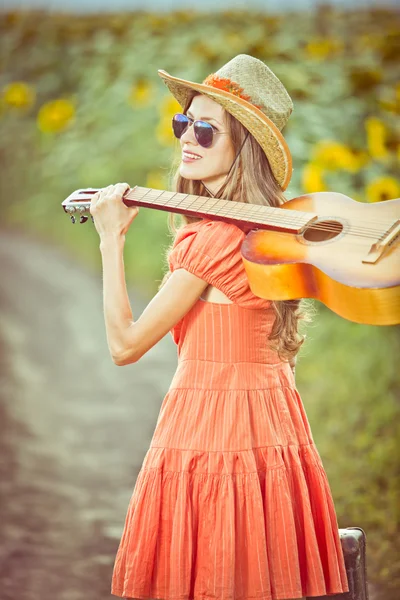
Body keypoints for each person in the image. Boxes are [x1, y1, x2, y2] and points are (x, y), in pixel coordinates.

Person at [90, 54, 349, 600]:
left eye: (207, 130)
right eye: (184, 122)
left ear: (243, 150)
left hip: (210, 427)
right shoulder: (270, 237)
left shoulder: (211, 242)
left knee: (211, 575)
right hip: (274, 429)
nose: (188, 138)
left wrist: (110, 240)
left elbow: (124, 346)